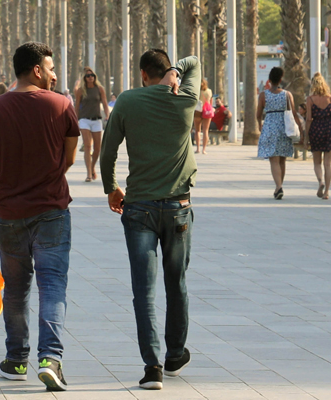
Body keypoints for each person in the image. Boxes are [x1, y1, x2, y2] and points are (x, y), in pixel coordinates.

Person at [0, 42, 81, 392]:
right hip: (52, 212)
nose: (55, 74)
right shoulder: (62, 105)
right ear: (36, 70)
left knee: (15, 290)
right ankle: (50, 359)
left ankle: (16, 359)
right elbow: (71, 158)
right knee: (53, 286)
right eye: (50, 68)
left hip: (9, 215)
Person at [102, 48, 199, 390]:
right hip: (178, 208)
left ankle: (152, 367)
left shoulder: (128, 101)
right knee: (177, 283)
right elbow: (195, 63)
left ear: (143, 73)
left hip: (139, 208)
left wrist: (111, 188)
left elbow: (108, 151)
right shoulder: (186, 97)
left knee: (144, 291)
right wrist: (179, 69)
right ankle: (175, 355)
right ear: (168, 71)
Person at [255, 67, 297, 199]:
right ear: (280, 79)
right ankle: (279, 186)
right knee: (282, 159)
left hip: (270, 125)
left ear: (269, 80)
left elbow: (258, 114)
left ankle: (279, 187)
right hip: (284, 126)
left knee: (274, 160)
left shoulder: (263, 95)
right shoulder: (287, 94)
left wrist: (260, 125)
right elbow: (293, 113)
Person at [300, 73, 331, 199]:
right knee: (327, 164)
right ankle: (327, 192)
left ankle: (320, 181)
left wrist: (306, 137)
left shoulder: (310, 99)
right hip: (329, 129)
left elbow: (309, 119)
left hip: (316, 129)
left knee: (317, 162)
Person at [74, 70, 111, 183]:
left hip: (96, 120)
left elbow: (105, 103)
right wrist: (75, 119)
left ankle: (92, 167)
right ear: (85, 78)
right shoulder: (81, 90)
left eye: (92, 75)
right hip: (84, 119)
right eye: (88, 76)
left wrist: (107, 115)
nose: (90, 77)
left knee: (97, 149)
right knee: (87, 147)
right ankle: (89, 173)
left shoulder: (100, 89)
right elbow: (77, 105)